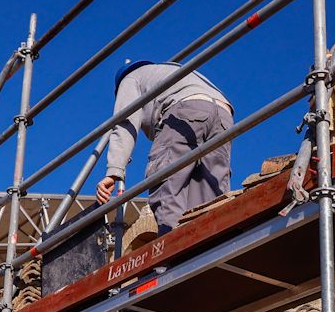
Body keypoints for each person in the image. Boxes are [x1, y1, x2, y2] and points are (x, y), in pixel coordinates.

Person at [97, 61, 234, 234]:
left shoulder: (130, 78)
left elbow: (125, 122)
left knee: (167, 181)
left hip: (185, 111)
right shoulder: (168, 70)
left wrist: (113, 172)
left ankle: (173, 249)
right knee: (209, 192)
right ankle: (210, 245)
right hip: (224, 113)